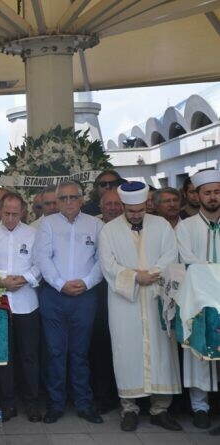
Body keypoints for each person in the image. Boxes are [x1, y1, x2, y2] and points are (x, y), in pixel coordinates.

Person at [99, 181, 182, 432]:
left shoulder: (162, 226)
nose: (136, 215)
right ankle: (129, 409)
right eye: (131, 211)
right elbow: (108, 265)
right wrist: (136, 277)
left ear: (146, 204)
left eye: (140, 210)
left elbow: (171, 256)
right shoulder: (109, 230)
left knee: (161, 351)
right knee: (126, 351)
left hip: (157, 297)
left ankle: (160, 409)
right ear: (123, 206)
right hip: (125, 301)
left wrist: (151, 274)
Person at [34, 181, 104, 424]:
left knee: (80, 353)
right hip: (54, 296)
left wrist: (86, 282)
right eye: (62, 198)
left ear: (81, 199)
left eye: (72, 197)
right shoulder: (47, 224)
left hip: (85, 296)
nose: (68, 202)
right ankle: (56, 403)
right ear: (57, 201)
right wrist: (60, 284)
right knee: (55, 352)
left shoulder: (96, 224)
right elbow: (42, 258)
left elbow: (102, 259)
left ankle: (83, 403)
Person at [0, 192, 42, 423]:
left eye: (15, 214)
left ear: (23, 212)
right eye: (7, 213)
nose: (10, 218)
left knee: (30, 356)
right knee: (5, 357)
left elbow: (40, 263)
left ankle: (32, 403)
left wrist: (25, 278)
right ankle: (8, 403)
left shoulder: (33, 234)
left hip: (27, 302)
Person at [175, 168, 220, 434]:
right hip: (199, 301)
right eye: (207, 193)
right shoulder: (185, 227)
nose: (213, 197)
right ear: (198, 195)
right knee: (198, 353)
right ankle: (200, 407)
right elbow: (188, 261)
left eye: (217, 192)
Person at [89, 188, 122, 414]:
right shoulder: (93, 226)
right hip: (98, 293)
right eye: (108, 204)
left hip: (126, 293)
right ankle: (103, 396)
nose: (113, 208)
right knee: (100, 346)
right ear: (100, 206)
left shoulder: (134, 227)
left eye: (117, 204)